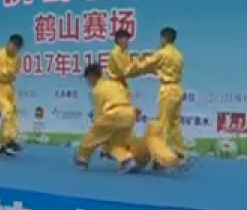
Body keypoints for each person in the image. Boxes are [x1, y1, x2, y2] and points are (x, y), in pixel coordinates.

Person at [124, 27, 187, 165]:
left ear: (164, 38)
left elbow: (146, 65)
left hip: (168, 89)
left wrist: (131, 68)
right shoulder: (179, 54)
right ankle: (180, 152)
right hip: (178, 88)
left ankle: (162, 158)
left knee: (161, 124)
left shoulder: (162, 53)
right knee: (174, 122)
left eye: (161, 38)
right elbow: (158, 68)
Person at [75, 63, 139, 174]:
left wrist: (97, 127)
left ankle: (82, 159)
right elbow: (126, 94)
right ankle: (127, 160)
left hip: (113, 113)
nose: (88, 82)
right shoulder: (114, 84)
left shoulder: (97, 90)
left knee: (93, 136)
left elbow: (99, 114)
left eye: (87, 78)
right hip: (129, 113)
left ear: (92, 76)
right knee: (113, 143)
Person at [101, 29, 133, 160]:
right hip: (115, 88)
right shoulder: (116, 52)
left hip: (121, 86)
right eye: (125, 39)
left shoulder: (124, 53)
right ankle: (107, 148)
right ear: (119, 40)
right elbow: (126, 70)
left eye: (128, 39)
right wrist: (142, 67)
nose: (127, 42)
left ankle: (110, 147)